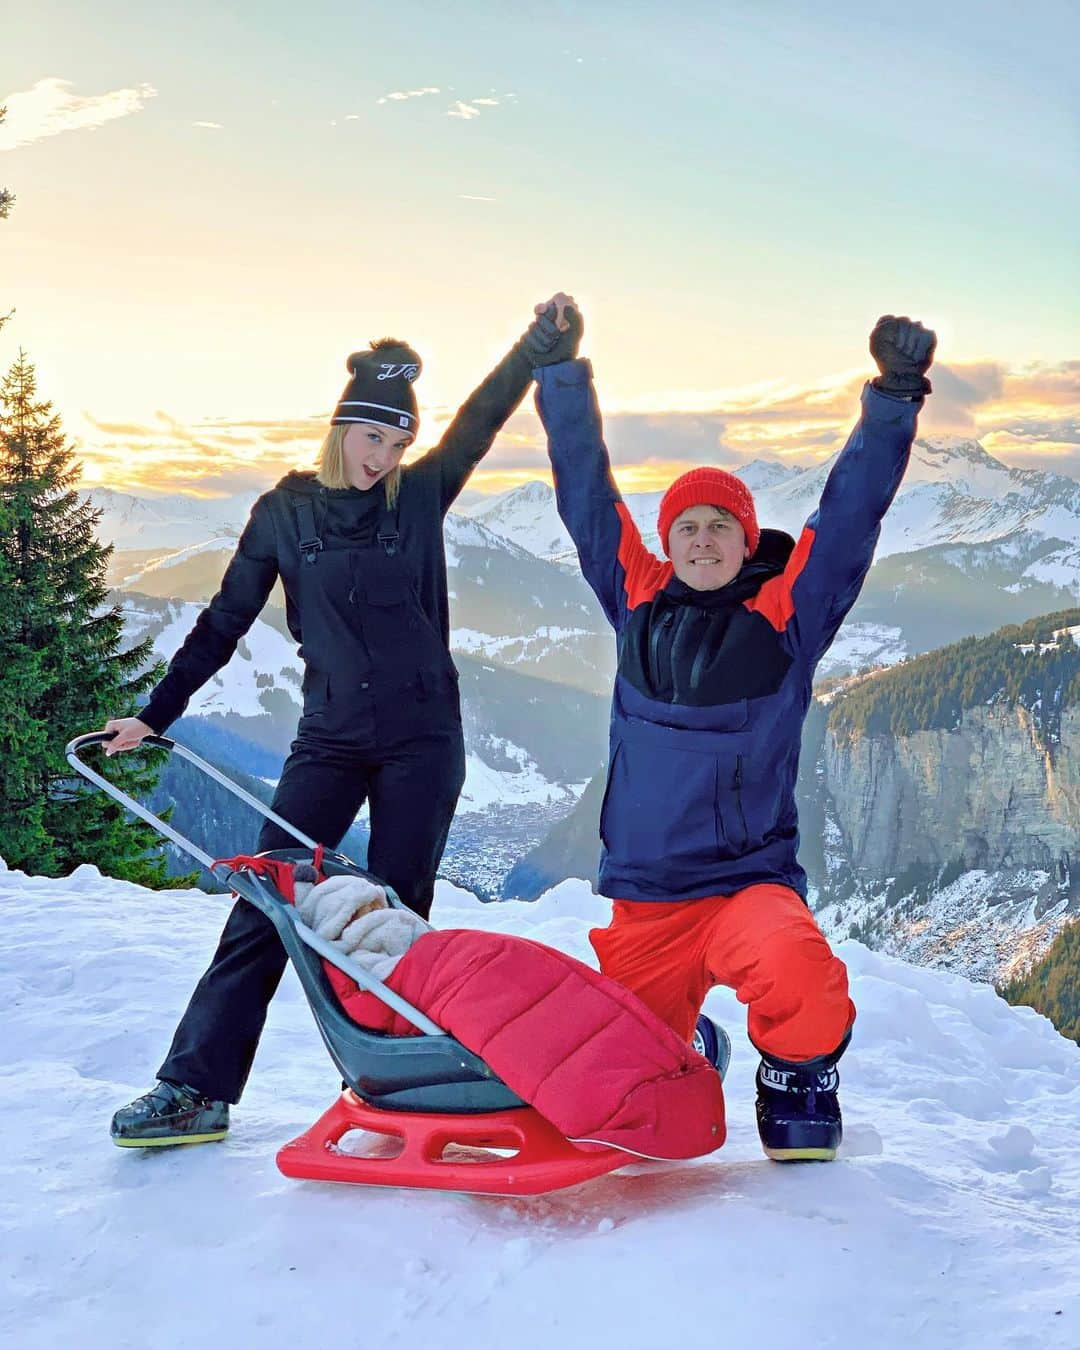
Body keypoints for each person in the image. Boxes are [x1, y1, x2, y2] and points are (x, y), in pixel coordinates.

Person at [104, 299, 578, 1146]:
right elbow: (223, 621)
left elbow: (481, 417)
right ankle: (193, 1088)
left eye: (399, 444)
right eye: (374, 439)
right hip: (328, 737)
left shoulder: (419, 495)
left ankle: (411, 1084)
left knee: (396, 921)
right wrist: (154, 714)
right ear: (341, 429)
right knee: (266, 900)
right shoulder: (285, 512)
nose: (385, 457)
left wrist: (537, 346)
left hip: (422, 742)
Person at [534, 303, 936, 1160]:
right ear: (668, 541)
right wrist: (561, 377)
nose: (705, 537)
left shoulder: (785, 613)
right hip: (645, 903)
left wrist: (893, 396)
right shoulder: (635, 597)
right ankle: (689, 1052)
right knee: (613, 1093)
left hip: (747, 888)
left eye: (722, 525)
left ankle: (793, 1076)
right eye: (689, 525)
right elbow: (585, 498)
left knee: (806, 982)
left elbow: (850, 517)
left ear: (745, 538)